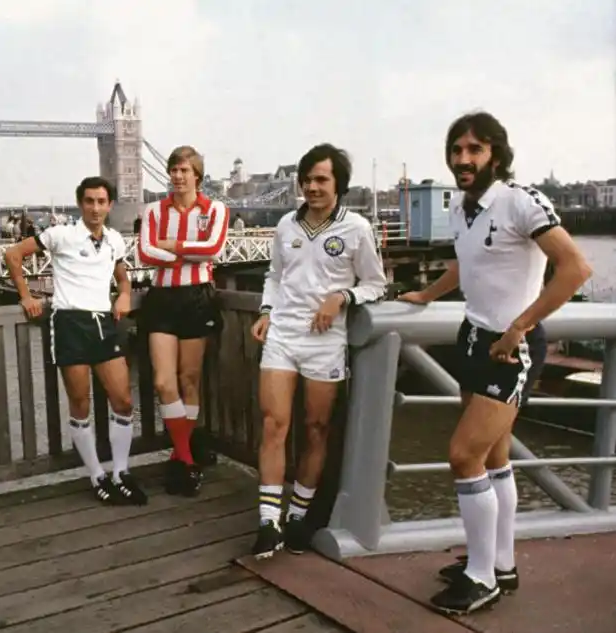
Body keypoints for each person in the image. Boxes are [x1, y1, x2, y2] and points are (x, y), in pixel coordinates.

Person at [399, 112, 591, 615]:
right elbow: (466, 264)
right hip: (473, 338)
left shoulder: (520, 201)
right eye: (456, 150)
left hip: (511, 349)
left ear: (496, 156)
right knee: (493, 458)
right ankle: (498, 563)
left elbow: (574, 268)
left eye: (474, 150)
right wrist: (426, 292)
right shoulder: (465, 209)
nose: (463, 159)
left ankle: (480, 578)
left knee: (463, 455)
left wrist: (521, 325)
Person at [249, 144, 387, 558]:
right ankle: (267, 522)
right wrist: (266, 310)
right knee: (274, 424)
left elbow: (376, 285)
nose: (312, 187)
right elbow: (274, 276)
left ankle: (299, 515)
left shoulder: (357, 229)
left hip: (326, 342)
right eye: (306, 180)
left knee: (316, 429)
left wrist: (342, 297)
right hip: (283, 337)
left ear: (338, 185)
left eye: (321, 180)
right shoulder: (285, 226)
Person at [4, 176, 147, 506]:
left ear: (110, 205)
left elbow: (122, 277)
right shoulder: (61, 234)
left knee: (123, 401)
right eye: (89, 201)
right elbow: (14, 255)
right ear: (80, 204)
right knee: (81, 404)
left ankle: (120, 472)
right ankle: (97, 475)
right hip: (70, 323)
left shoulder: (114, 240)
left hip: (104, 324)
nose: (95, 208)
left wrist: (124, 296)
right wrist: (26, 296)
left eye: (101, 201)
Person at [137, 145, 229, 497]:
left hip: (197, 299)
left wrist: (171, 245)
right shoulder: (153, 209)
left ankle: (179, 456)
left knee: (189, 379)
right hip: (162, 299)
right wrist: (187, 252)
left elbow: (213, 249)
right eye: (173, 169)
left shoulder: (215, 209)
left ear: (197, 176)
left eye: (184, 170)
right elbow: (145, 253)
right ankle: (188, 457)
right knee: (164, 382)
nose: (177, 175)